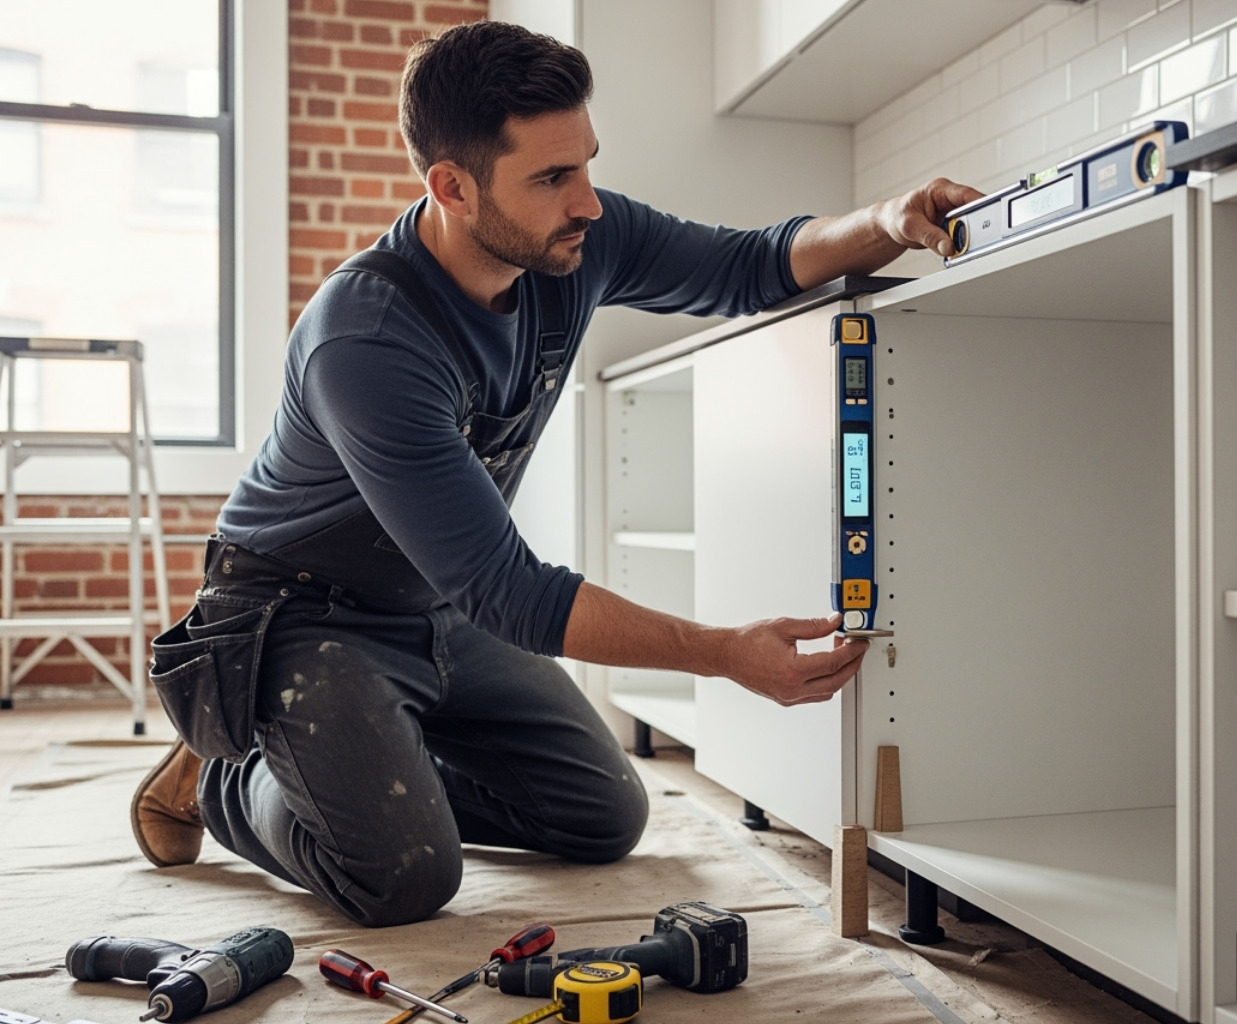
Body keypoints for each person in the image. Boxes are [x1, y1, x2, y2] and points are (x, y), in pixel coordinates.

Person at [131, 19, 981, 927]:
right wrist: (724, 654)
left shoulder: (570, 245)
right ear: (450, 188)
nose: (589, 203)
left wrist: (886, 220)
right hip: (302, 616)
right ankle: (227, 770)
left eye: (584, 165)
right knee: (403, 879)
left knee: (602, 815)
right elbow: (512, 592)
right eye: (551, 178)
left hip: (434, 603)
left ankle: (366, 767)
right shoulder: (367, 337)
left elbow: (748, 266)